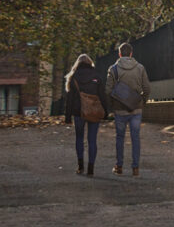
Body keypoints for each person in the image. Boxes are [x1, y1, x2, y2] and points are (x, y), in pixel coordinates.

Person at [106, 42, 150, 176]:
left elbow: (107, 90)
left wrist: (112, 106)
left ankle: (119, 166)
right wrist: (142, 101)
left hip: (119, 110)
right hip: (136, 109)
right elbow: (147, 88)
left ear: (119, 54)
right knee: (135, 138)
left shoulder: (113, 69)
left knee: (120, 137)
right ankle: (135, 168)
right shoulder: (140, 68)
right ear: (131, 54)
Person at [63, 53, 105, 176]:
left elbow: (70, 98)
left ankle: (80, 166)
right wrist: (106, 112)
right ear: (90, 62)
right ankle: (91, 168)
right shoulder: (97, 76)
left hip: (78, 112)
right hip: (94, 111)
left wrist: (67, 116)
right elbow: (102, 95)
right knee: (92, 140)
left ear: (78, 63)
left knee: (79, 138)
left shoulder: (74, 77)